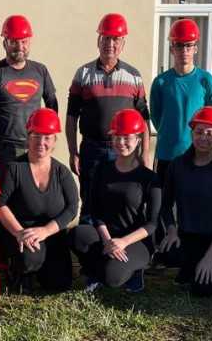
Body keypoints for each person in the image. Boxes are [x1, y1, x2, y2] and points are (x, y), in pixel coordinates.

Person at [66, 13, 151, 225]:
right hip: (91, 150)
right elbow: (71, 116)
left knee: (122, 203)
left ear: (123, 44)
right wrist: (73, 151)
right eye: (105, 38)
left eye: (116, 39)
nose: (110, 44)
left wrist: (145, 153)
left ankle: (121, 241)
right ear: (98, 41)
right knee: (89, 203)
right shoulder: (83, 74)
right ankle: (89, 242)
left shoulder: (134, 76)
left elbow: (143, 117)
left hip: (124, 151)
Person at [69, 109, 161, 293]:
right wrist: (108, 241)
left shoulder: (148, 177)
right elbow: (95, 210)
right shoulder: (102, 170)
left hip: (135, 240)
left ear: (138, 140)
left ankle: (134, 271)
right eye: (117, 137)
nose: (121, 142)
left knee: (112, 277)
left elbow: (152, 223)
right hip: (107, 236)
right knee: (77, 235)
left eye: (127, 138)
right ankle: (97, 271)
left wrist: (124, 242)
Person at [0, 108, 79, 295]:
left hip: (51, 234)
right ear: (28, 137)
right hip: (22, 232)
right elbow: (1, 204)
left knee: (59, 284)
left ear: (54, 141)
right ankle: (21, 271)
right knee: (29, 260)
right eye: (36, 136)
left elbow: (72, 207)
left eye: (47, 137)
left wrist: (46, 231)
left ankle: (42, 268)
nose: (41, 142)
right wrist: (18, 232)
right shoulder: (14, 169)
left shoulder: (62, 172)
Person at [157, 107, 212, 297]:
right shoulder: (177, 165)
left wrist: (210, 257)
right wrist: (171, 230)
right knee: (165, 254)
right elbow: (165, 203)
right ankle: (191, 265)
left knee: (202, 290)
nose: (203, 138)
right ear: (192, 134)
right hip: (188, 235)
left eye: (209, 133)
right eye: (198, 132)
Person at [0, 15, 58, 177]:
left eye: (24, 41)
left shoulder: (40, 71)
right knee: (5, 192)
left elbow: (52, 104)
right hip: (3, 150)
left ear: (29, 43)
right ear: (5, 44)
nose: (20, 47)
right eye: (14, 42)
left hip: (35, 148)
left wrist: (49, 139)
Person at [149, 19, 212, 183]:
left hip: (196, 155)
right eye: (179, 45)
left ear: (196, 48)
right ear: (171, 49)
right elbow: (157, 118)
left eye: (188, 45)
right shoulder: (160, 82)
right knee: (161, 198)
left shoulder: (206, 81)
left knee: (193, 199)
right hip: (165, 154)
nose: (184, 50)